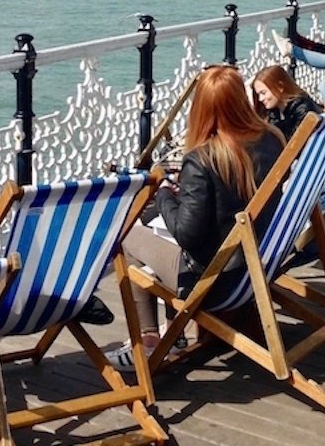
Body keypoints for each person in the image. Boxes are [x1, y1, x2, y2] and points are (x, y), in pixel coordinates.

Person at [105, 65, 285, 371]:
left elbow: (187, 235)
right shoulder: (272, 138)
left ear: (202, 107)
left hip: (215, 280)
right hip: (258, 264)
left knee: (126, 232)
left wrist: (164, 193)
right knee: (155, 237)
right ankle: (171, 335)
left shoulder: (203, 158)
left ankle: (149, 342)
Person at [250, 65, 322, 140]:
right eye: (258, 94)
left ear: (280, 87)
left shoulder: (302, 109)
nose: (260, 99)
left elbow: (295, 143)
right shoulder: (275, 112)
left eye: (263, 93)